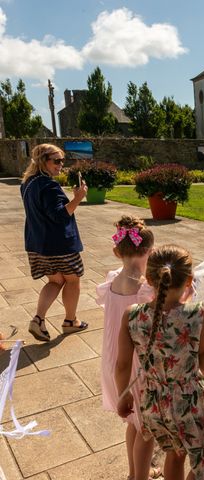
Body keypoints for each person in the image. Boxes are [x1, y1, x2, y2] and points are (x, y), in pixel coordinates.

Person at [115, 244, 204, 480]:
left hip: (153, 400)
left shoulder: (132, 314)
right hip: (190, 398)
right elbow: (203, 352)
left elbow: (122, 365)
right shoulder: (197, 312)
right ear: (189, 280)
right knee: (202, 447)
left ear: (149, 279)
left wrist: (124, 396)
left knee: (174, 453)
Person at [96, 215, 159, 480]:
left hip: (115, 360)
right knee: (149, 429)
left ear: (117, 251)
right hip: (137, 364)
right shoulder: (145, 290)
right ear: (150, 252)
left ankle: (135, 473)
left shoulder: (111, 281)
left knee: (135, 421)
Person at [20, 144, 88, 342]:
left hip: (38, 244)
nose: (61, 165)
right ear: (43, 161)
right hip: (59, 245)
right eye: (56, 161)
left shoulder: (27, 183)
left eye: (62, 161)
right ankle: (70, 321)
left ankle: (38, 319)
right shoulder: (49, 185)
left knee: (55, 281)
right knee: (72, 280)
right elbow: (59, 215)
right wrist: (78, 198)